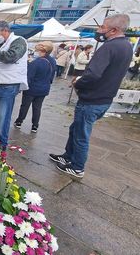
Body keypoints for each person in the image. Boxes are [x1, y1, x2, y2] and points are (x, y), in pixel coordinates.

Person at [49, 14, 132, 178]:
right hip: (104, 98)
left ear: (114, 30)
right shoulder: (126, 46)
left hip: (92, 99)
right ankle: (68, 156)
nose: (99, 30)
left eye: (103, 27)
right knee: (76, 129)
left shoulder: (109, 47)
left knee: (81, 134)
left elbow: (93, 75)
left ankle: (77, 166)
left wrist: (78, 82)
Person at [0, 21, 28, 154]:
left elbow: (11, 56)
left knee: (4, 115)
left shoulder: (19, 41)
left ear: (5, 31)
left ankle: (1, 142)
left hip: (8, 85)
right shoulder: (0, 44)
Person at [14, 41, 55, 133]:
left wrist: (22, 88)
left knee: (25, 106)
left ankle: (19, 121)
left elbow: (29, 76)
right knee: (37, 108)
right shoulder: (52, 61)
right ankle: (35, 126)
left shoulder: (36, 62)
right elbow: (52, 76)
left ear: (42, 50)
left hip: (32, 89)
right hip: (44, 89)